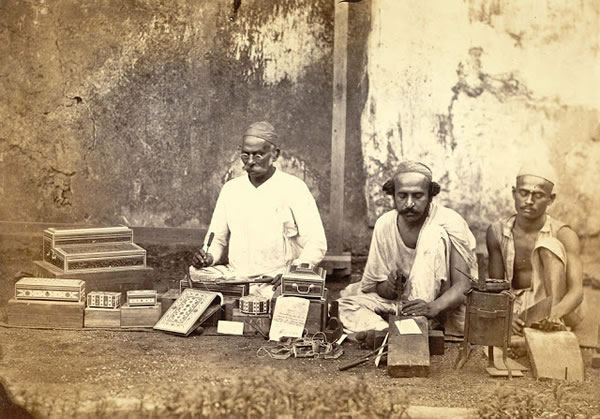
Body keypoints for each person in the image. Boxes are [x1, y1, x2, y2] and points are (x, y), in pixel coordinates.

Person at [337, 161, 478, 336]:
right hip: (401, 305)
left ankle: (411, 327)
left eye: (418, 196)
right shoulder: (385, 224)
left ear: (430, 196)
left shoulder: (449, 222)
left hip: (442, 306)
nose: (409, 203)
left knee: (432, 233)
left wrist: (432, 307)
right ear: (393, 195)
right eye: (402, 196)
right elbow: (377, 288)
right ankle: (389, 332)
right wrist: (390, 286)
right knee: (345, 305)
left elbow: (463, 286)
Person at [190, 121, 327, 297]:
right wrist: (208, 257)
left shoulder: (294, 188)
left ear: (275, 154)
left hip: (276, 279)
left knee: (287, 306)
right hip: (238, 278)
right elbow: (216, 240)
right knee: (195, 274)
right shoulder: (231, 189)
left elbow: (317, 243)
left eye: (258, 155)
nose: (251, 162)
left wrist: (292, 272)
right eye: (245, 155)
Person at [486, 162, 584, 335]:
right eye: (523, 193)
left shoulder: (564, 234)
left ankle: (550, 327)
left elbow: (577, 291)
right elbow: (496, 287)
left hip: (561, 306)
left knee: (549, 244)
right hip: (516, 306)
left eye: (538, 195)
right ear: (514, 193)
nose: (529, 201)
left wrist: (556, 311)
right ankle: (530, 336)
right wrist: (506, 314)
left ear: (550, 199)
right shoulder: (497, 232)